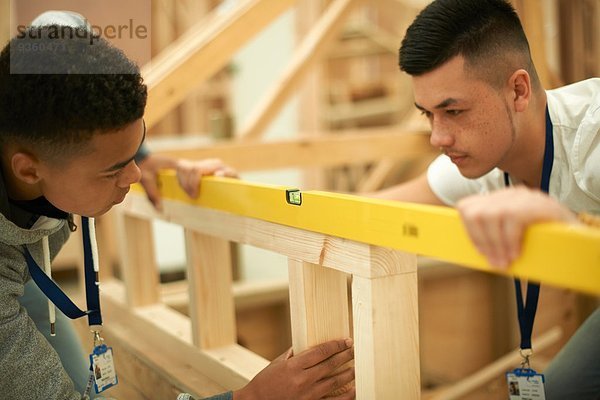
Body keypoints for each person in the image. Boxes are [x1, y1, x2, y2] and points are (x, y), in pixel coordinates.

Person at [0, 21, 355, 400]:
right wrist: (253, 398)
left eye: (134, 152)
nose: (134, 175)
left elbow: (58, 24)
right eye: (114, 169)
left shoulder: (35, 86)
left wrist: (146, 158)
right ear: (28, 169)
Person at [371, 0, 599, 398]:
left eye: (454, 110)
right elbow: (368, 209)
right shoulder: (482, 160)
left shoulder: (593, 142)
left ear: (518, 90)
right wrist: (265, 194)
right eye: (427, 114)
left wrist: (570, 226)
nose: (438, 138)